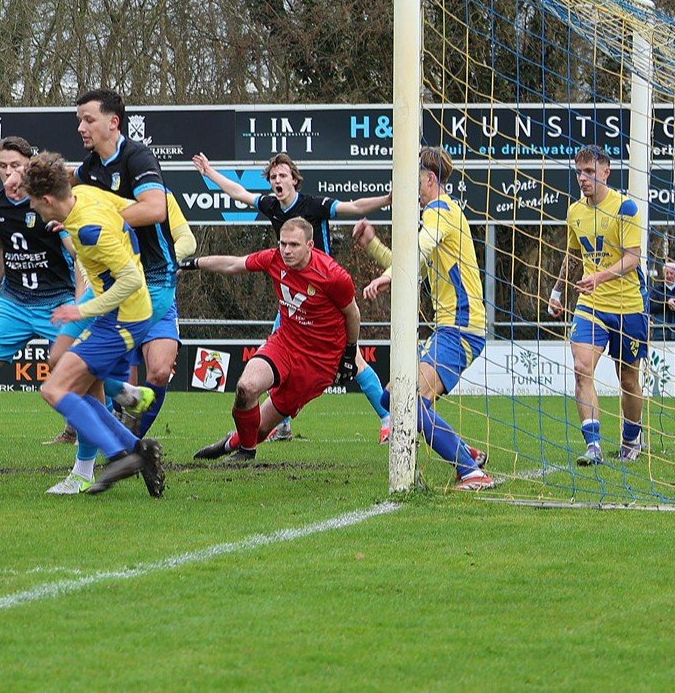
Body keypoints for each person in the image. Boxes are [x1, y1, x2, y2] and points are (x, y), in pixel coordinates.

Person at [0, 136, 144, 468]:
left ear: (30, 169)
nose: (8, 175)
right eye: (2, 166)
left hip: (57, 302)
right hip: (14, 302)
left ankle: (100, 453)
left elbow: (80, 254)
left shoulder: (51, 204)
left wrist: (83, 300)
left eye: (16, 167)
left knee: (81, 376)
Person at [192, 150, 394, 442]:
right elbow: (239, 192)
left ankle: (389, 418)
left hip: (323, 300)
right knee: (277, 360)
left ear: (294, 180)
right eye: (273, 176)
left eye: (282, 175)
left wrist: (387, 200)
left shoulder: (313, 205)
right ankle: (280, 423)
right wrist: (210, 173)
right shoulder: (272, 206)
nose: (277, 180)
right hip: (292, 297)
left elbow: (354, 206)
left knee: (355, 361)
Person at [184, 220, 401, 476]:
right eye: (283, 243)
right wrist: (194, 263)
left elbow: (352, 314)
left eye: (294, 245)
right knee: (246, 387)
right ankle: (246, 451)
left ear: (310, 245)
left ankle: (232, 443)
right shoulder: (275, 259)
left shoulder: (332, 275)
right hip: (285, 342)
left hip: (317, 364)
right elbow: (233, 264)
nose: (286, 250)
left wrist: (349, 352)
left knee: (262, 428)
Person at [22, 152, 165, 496]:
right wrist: (70, 228)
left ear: (46, 199)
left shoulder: (89, 229)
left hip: (122, 317)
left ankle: (120, 456)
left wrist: (81, 311)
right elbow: (121, 214)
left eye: (34, 204)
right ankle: (140, 449)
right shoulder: (85, 196)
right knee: (81, 388)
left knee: (55, 389)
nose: (34, 210)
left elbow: (130, 279)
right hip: (119, 313)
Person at [350, 147, 493, 490]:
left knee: (408, 400)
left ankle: (472, 472)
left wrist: (387, 277)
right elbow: (414, 262)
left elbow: (418, 252)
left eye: (415, 181)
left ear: (430, 179)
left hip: (460, 327)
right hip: (449, 328)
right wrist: (373, 245)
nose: (412, 189)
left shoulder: (440, 212)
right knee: (391, 397)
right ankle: (463, 451)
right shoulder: (438, 217)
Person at [71, 88, 181, 442]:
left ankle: (130, 438)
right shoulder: (87, 169)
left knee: (159, 371)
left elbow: (154, 209)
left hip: (156, 276)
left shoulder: (137, 157)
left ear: (113, 122)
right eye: (79, 121)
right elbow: (66, 198)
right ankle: (127, 442)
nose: (81, 128)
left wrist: (108, 220)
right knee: (90, 362)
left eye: (88, 120)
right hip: (119, 277)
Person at [548, 145, 648, 465]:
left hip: (628, 305)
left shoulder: (626, 209)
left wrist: (601, 276)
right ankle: (593, 445)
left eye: (589, 172)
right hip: (591, 304)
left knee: (628, 379)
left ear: (606, 172)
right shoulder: (575, 211)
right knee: (581, 368)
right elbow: (573, 254)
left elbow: (633, 258)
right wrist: (558, 291)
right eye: (579, 171)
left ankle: (632, 437)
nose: (583, 178)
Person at [647, 261, 675, 340]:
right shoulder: (656, 290)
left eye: (671, 273)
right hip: (659, 336)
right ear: (663, 274)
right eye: (667, 273)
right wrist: (666, 304)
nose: (669, 276)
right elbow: (649, 307)